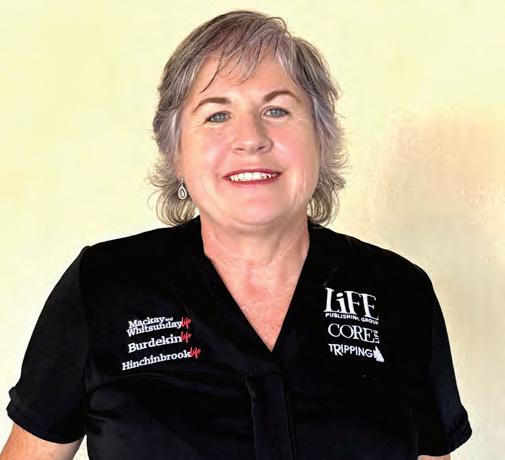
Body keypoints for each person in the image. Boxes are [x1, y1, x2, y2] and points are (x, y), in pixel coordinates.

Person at [1, 9, 471, 460]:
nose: (251, 138)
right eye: (216, 115)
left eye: (278, 110)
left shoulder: (400, 294)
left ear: (322, 138)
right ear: (176, 151)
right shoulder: (102, 287)